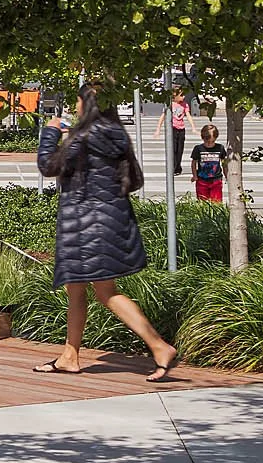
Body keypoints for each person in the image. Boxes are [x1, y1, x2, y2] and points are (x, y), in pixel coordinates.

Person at [35, 83, 182, 381]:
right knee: (76, 287)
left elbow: (48, 166)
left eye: (78, 101)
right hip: (111, 219)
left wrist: (50, 132)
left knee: (105, 292)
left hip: (84, 222)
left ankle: (159, 346)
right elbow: (134, 179)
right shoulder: (117, 134)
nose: (75, 107)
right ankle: (69, 356)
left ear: (86, 103)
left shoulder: (82, 137)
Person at [190, 123, 228, 204]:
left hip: (216, 180)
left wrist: (227, 175)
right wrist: (195, 175)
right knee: (202, 202)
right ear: (202, 138)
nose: (209, 144)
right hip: (202, 180)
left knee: (217, 202)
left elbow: (224, 163)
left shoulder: (220, 148)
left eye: (212, 141)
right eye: (207, 141)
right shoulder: (198, 149)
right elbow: (194, 163)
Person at [168, 90, 192, 176]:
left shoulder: (185, 104)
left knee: (180, 150)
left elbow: (188, 115)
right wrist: (158, 129)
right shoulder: (170, 105)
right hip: (173, 129)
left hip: (181, 129)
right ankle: (174, 167)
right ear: (175, 96)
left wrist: (193, 127)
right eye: (181, 95)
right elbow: (163, 116)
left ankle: (178, 167)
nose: (184, 97)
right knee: (173, 149)